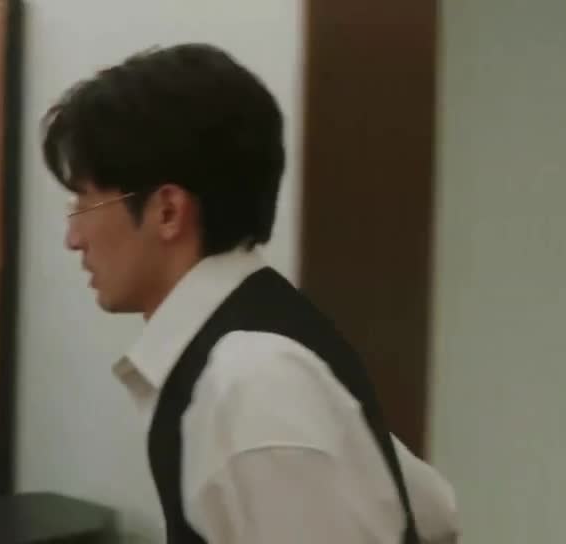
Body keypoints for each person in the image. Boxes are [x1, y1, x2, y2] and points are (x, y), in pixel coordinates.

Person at [42, 43, 459, 543]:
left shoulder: (252, 380)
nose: (73, 239)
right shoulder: (260, 341)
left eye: (84, 205)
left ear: (168, 211)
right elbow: (433, 509)